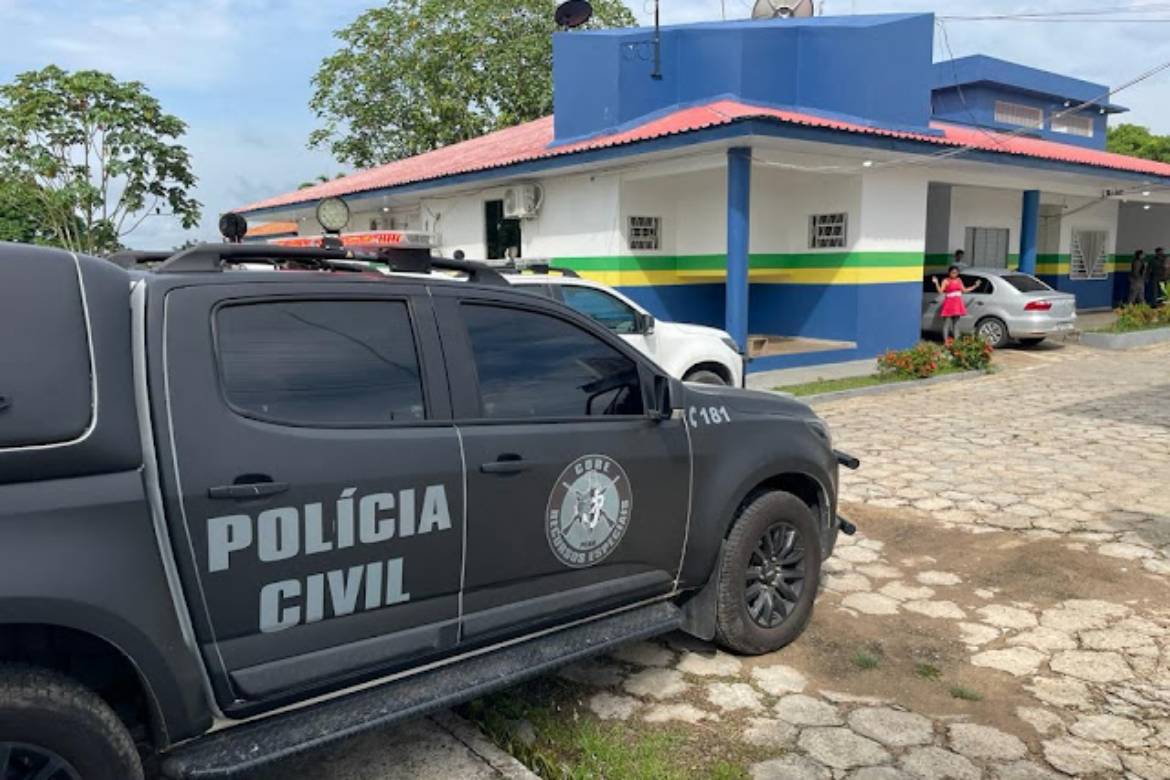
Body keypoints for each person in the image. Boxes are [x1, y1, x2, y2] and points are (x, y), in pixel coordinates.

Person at [932, 265, 981, 344]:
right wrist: (936, 282)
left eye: (956, 272)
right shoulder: (946, 281)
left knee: (956, 324)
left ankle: (957, 343)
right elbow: (940, 291)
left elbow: (964, 290)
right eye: (953, 272)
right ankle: (946, 342)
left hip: (957, 305)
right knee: (947, 324)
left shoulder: (959, 280)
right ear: (949, 273)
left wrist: (975, 286)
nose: (954, 274)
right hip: (949, 304)